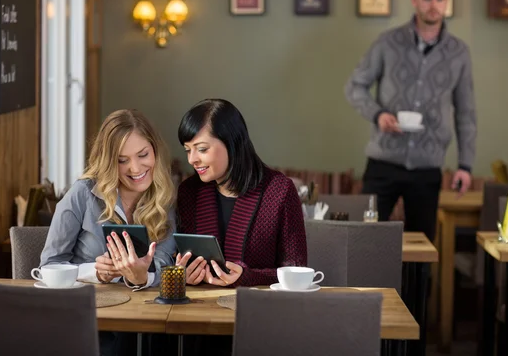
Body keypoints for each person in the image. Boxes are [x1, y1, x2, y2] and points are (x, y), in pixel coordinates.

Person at [344, 0, 477, 241]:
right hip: (383, 162)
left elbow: (466, 112)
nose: (434, 5)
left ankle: (417, 287)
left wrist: (465, 165)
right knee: (364, 243)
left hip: (428, 168)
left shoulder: (459, 53)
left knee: (422, 250)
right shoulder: (387, 43)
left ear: (446, 1)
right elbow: (354, 86)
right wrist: (378, 114)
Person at [39, 109, 176, 356]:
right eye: (122, 160)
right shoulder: (82, 194)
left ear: (154, 149)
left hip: (147, 321)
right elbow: (50, 264)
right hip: (88, 324)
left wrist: (141, 275)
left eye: (143, 154)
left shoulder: (164, 196)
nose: (135, 168)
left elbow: (165, 262)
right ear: (108, 161)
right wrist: (96, 272)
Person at [175, 99, 308, 287]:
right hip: (201, 307)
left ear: (231, 143)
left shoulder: (279, 191)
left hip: (258, 308)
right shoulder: (189, 192)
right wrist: (185, 275)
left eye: (202, 149)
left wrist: (249, 277)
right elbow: (178, 259)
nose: (192, 159)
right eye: (188, 150)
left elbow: (297, 270)